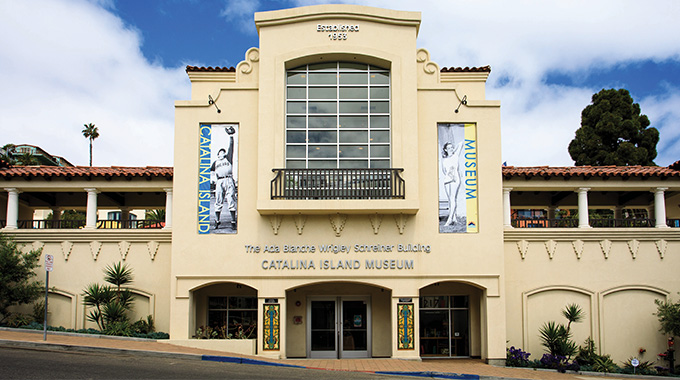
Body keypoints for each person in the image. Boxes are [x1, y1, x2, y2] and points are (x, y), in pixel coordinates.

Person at [211, 126, 237, 229]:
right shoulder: (216, 162)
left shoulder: (228, 158)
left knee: (231, 199)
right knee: (218, 200)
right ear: (218, 154)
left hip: (228, 179)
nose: (222, 152)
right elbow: (208, 170)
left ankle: (233, 221)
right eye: (220, 152)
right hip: (219, 180)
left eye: (223, 151)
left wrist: (231, 136)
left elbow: (231, 146)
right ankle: (217, 221)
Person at [441, 141, 463, 226]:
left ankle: (449, 219)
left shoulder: (456, 156)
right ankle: (454, 218)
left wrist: (454, 149)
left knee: (453, 198)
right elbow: (444, 171)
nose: (451, 149)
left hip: (455, 179)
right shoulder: (445, 160)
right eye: (449, 148)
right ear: (446, 150)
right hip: (447, 180)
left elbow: (460, 143)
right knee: (450, 199)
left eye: (452, 147)